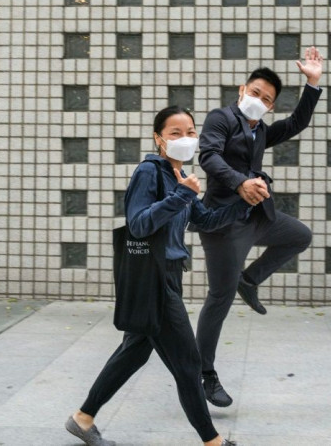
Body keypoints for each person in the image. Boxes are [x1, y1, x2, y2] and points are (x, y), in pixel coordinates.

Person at [66, 106, 246, 446]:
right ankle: (213, 442)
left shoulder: (180, 176)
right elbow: (138, 223)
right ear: (158, 139)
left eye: (190, 132)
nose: (185, 138)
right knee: (188, 363)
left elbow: (204, 221)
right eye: (175, 133)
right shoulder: (149, 172)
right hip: (155, 278)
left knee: (134, 351)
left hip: (169, 275)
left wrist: (244, 202)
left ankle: (82, 418)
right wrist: (182, 195)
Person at [193, 47, 324, 407]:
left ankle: (249, 280)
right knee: (219, 298)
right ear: (242, 90)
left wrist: (312, 83)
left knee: (300, 235)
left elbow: (296, 123)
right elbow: (208, 156)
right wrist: (240, 183)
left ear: (270, 107)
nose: (260, 101)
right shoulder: (220, 119)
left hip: (258, 218)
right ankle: (205, 375)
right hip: (224, 223)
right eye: (255, 93)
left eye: (267, 100)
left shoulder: (261, 131)